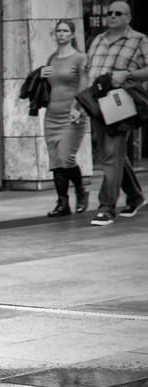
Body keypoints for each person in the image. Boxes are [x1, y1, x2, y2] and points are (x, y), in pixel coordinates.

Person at [86, 1, 147, 227]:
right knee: (111, 154)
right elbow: (87, 71)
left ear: (128, 17)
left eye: (118, 13)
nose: (112, 16)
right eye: (110, 13)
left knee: (111, 154)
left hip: (121, 103)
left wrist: (128, 74)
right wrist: (79, 101)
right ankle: (135, 196)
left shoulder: (139, 40)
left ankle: (106, 206)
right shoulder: (97, 40)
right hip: (96, 102)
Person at [41, 20, 90, 217]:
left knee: (66, 157)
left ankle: (80, 190)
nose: (61, 34)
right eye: (58, 31)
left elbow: (84, 85)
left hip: (72, 115)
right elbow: (48, 86)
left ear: (72, 34)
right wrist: (41, 74)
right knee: (55, 160)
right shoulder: (52, 58)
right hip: (51, 115)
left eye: (65, 31)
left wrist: (78, 107)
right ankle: (62, 203)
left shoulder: (80, 58)